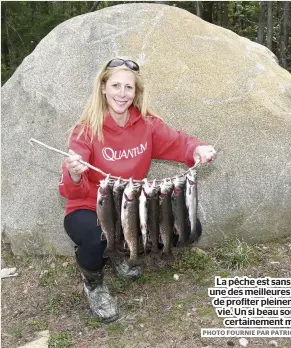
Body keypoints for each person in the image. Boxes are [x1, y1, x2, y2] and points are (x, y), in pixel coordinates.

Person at [59, 58, 216, 323]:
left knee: (187, 227)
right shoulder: (85, 130)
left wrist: (197, 149)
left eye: (128, 88)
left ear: (136, 92)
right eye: (116, 86)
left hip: (131, 204)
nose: (122, 93)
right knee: (98, 238)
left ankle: (118, 250)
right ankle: (94, 283)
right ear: (103, 88)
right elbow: (70, 191)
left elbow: (180, 142)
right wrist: (74, 173)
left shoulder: (147, 125)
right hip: (88, 207)